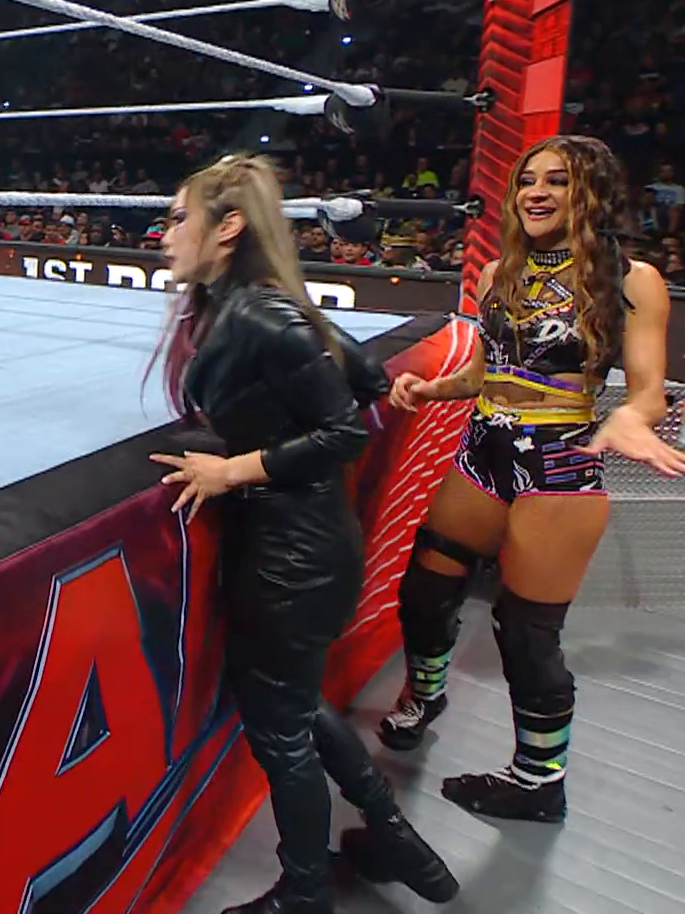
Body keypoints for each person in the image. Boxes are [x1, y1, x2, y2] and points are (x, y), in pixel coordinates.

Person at [151, 156, 457, 913]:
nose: (165, 232)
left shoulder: (262, 315)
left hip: (292, 556)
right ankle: (394, 836)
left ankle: (306, 892)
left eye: (180, 217)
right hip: (298, 546)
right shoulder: (258, 306)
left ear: (228, 227)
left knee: (281, 730)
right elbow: (368, 376)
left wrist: (234, 468)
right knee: (292, 705)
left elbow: (345, 430)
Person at [379, 135, 685, 823]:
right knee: (425, 593)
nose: (536, 192)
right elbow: (485, 371)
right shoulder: (498, 272)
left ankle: (538, 782)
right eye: (528, 180)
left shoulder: (632, 279)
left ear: (591, 193)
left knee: (526, 635)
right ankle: (425, 695)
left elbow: (649, 389)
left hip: (559, 466)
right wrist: (432, 388)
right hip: (484, 452)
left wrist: (633, 417)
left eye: (557, 181)